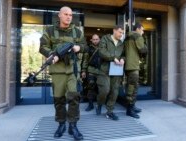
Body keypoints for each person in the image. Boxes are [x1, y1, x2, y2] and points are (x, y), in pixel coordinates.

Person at [39, 6, 86, 140]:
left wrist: (78, 47)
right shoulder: (50, 31)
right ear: (59, 15)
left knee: (74, 97)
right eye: (65, 14)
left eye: (70, 15)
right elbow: (42, 46)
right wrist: (52, 55)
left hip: (72, 70)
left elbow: (85, 47)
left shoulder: (77, 32)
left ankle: (73, 125)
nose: (68, 17)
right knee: (58, 100)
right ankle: (61, 124)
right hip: (58, 71)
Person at [95, 25, 125, 121]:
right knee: (105, 90)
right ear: (114, 31)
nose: (121, 34)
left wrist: (123, 60)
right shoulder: (105, 39)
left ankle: (110, 111)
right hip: (105, 69)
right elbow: (102, 51)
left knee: (114, 91)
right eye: (120, 32)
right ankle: (99, 104)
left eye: (122, 33)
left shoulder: (121, 43)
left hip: (116, 70)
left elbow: (123, 55)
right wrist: (113, 58)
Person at [124, 23, 147, 119]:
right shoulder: (137, 36)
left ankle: (132, 106)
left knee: (131, 87)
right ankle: (129, 110)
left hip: (128, 65)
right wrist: (145, 47)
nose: (143, 31)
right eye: (142, 29)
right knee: (133, 88)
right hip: (133, 65)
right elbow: (143, 50)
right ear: (137, 29)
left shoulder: (127, 37)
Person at [81, 34, 101, 111]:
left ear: (99, 39)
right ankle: (90, 104)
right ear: (91, 40)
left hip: (101, 71)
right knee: (90, 88)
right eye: (94, 39)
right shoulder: (88, 49)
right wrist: (83, 71)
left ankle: (99, 105)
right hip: (91, 70)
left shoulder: (103, 48)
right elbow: (85, 60)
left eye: (97, 39)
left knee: (101, 89)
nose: (95, 41)